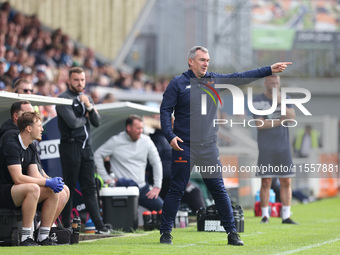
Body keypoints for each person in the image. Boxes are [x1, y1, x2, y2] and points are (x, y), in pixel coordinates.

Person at [159, 45, 291, 245]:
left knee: (219, 190)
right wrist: (169, 136)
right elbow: (165, 111)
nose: (206, 64)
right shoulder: (177, 83)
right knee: (177, 189)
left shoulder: (215, 80)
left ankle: (232, 234)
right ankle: (165, 233)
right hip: (184, 146)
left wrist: (269, 69)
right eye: (202, 60)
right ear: (191, 61)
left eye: (208, 60)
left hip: (208, 147)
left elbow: (243, 76)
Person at [55, 66, 111, 234]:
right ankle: (65, 225)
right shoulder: (63, 99)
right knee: (69, 187)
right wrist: (86, 114)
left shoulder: (86, 98)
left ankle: (99, 226)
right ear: (69, 81)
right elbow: (73, 123)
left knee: (90, 188)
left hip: (86, 148)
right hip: (70, 146)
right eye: (76, 80)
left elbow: (96, 122)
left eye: (82, 80)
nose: (80, 83)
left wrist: (88, 107)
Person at [0, 100, 70, 225]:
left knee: (63, 190)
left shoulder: (30, 144)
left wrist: (50, 180)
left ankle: (43, 233)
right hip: (8, 189)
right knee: (33, 189)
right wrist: (47, 182)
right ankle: (27, 235)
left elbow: (36, 174)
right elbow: (17, 178)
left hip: (21, 187)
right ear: (28, 128)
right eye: (29, 113)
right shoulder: (10, 139)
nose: (42, 129)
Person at [253, 74, 298, 225]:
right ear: (265, 82)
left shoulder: (285, 98)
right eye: (271, 82)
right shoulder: (258, 100)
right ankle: (265, 216)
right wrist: (279, 121)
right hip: (266, 148)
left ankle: (286, 216)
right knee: (266, 181)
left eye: (276, 83)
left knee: (286, 181)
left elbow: (291, 118)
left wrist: (280, 102)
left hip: (283, 147)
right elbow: (260, 124)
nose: (274, 85)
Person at [94, 115, 163, 211]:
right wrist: (106, 178)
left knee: (163, 209)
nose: (141, 131)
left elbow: (156, 163)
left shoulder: (146, 141)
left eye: (142, 128)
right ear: (128, 128)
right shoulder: (115, 141)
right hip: (121, 190)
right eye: (138, 128)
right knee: (124, 221)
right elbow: (97, 155)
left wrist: (157, 186)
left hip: (142, 189)